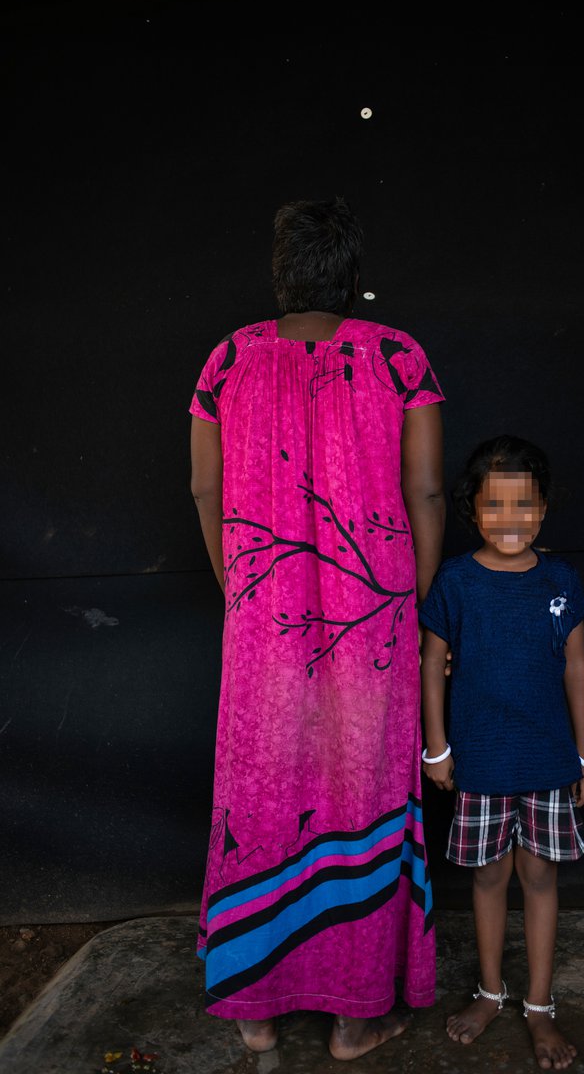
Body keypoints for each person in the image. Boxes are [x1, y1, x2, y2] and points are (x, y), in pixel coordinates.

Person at [189, 198, 446, 1060]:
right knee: (363, 790)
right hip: (374, 615)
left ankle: (254, 1013)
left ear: (279, 272)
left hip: (263, 619)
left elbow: (203, 491)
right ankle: (354, 1017)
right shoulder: (397, 360)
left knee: (262, 797)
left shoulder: (228, 359)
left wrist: (243, 591)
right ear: (353, 278)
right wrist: (406, 595)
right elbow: (427, 494)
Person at [419, 435, 584, 1071]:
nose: (511, 520)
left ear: (543, 509)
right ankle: (491, 993)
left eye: (525, 505)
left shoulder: (560, 580)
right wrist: (436, 749)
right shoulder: (458, 581)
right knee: (489, 877)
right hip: (482, 762)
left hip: (548, 760)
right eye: (496, 506)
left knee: (540, 877)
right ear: (474, 511)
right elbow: (432, 661)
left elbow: (577, 668)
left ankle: (539, 1005)